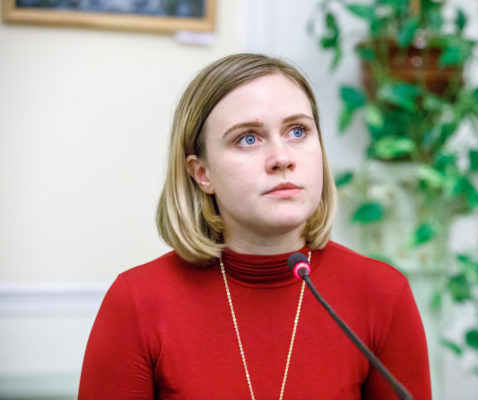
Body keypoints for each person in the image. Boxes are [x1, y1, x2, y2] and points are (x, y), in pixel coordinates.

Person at [78, 53, 431, 399]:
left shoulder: (383, 295)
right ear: (202, 173)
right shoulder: (136, 303)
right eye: (248, 138)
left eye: (297, 131)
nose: (282, 158)